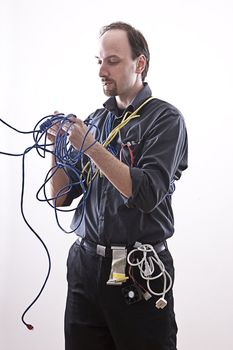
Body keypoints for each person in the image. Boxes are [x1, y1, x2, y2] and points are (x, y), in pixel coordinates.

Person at [48, 21, 188, 350]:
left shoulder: (165, 120)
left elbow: (145, 193)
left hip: (137, 272)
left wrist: (92, 147)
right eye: (99, 61)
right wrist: (57, 151)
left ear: (139, 64)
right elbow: (61, 196)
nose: (102, 71)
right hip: (85, 269)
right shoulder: (97, 120)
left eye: (112, 61)